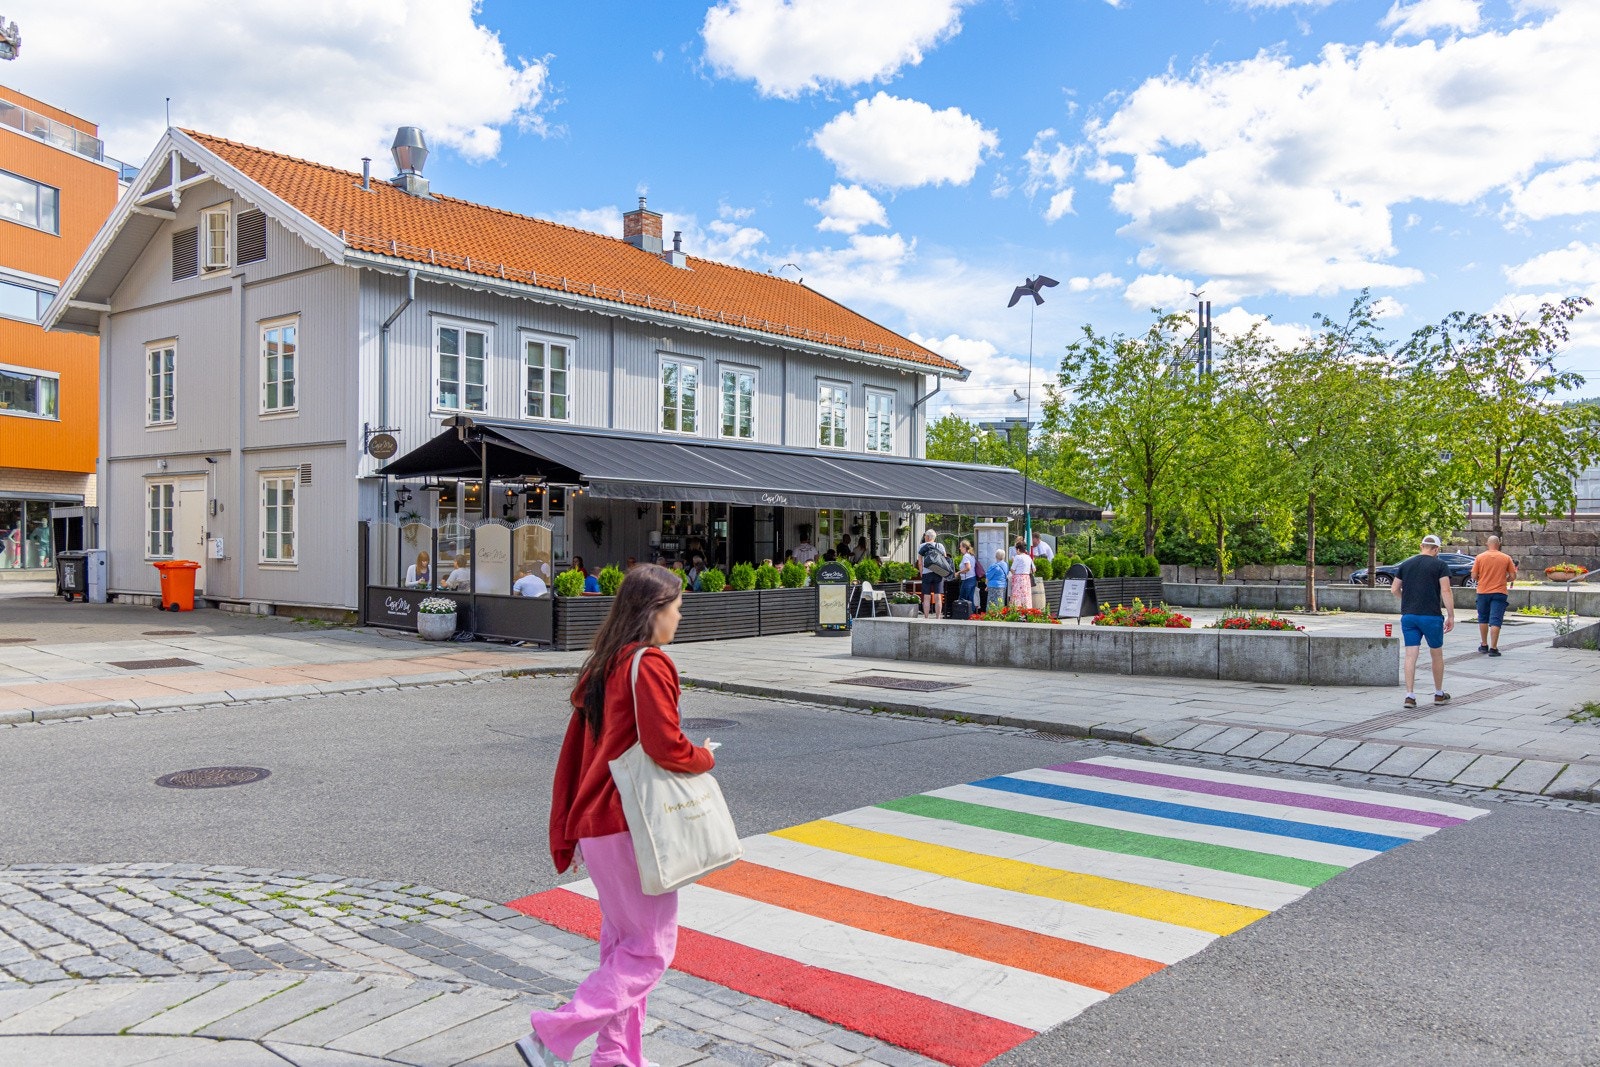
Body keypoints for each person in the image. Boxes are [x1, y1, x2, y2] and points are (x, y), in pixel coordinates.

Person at [520, 564, 716, 1067]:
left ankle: (616, 1056)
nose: (679, 619)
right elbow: (665, 744)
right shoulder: (650, 664)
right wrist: (704, 756)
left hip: (598, 822)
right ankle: (552, 1035)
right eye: (676, 608)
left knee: (622, 948)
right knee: (648, 950)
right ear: (654, 612)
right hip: (632, 823)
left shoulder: (604, 664)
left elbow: (581, 751)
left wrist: (570, 825)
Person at [1392, 534, 1456, 708]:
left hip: (1409, 616)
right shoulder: (1440, 565)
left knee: (1410, 655)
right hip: (1431, 616)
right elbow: (1446, 590)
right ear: (1436, 549)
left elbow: (1394, 589)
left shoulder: (1406, 564)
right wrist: (1451, 615)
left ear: (1421, 546)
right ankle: (1438, 694)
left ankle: (1410, 696)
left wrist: (1407, 599)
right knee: (1436, 654)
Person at [1470, 535, 1518, 657]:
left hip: (1483, 592)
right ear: (1499, 544)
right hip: (1499, 592)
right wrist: (1504, 580)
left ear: (1487, 543)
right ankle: (1493, 648)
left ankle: (1484, 645)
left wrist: (1483, 579)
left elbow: (1474, 575)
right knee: (1496, 620)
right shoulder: (1506, 558)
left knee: (1483, 618)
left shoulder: (1480, 557)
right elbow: (1512, 576)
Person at [917, 529, 949, 618]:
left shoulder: (922, 546)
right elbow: (945, 560)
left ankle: (926, 617)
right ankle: (938, 617)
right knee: (938, 596)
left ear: (927, 537)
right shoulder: (940, 546)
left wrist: (921, 573)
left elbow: (919, 562)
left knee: (926, 597)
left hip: (926, 573)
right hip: (938, 573)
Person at [956, 539, 977, 610]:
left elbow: (968, 568)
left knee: (963, 598)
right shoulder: (971, 555)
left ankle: (962, 614)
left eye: (961, 547)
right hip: (972, 579)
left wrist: (958, 572)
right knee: (970, 598)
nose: (960, 548)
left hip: (967, 579)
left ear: (964, 547)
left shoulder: (966, 556)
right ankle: (972, 615)